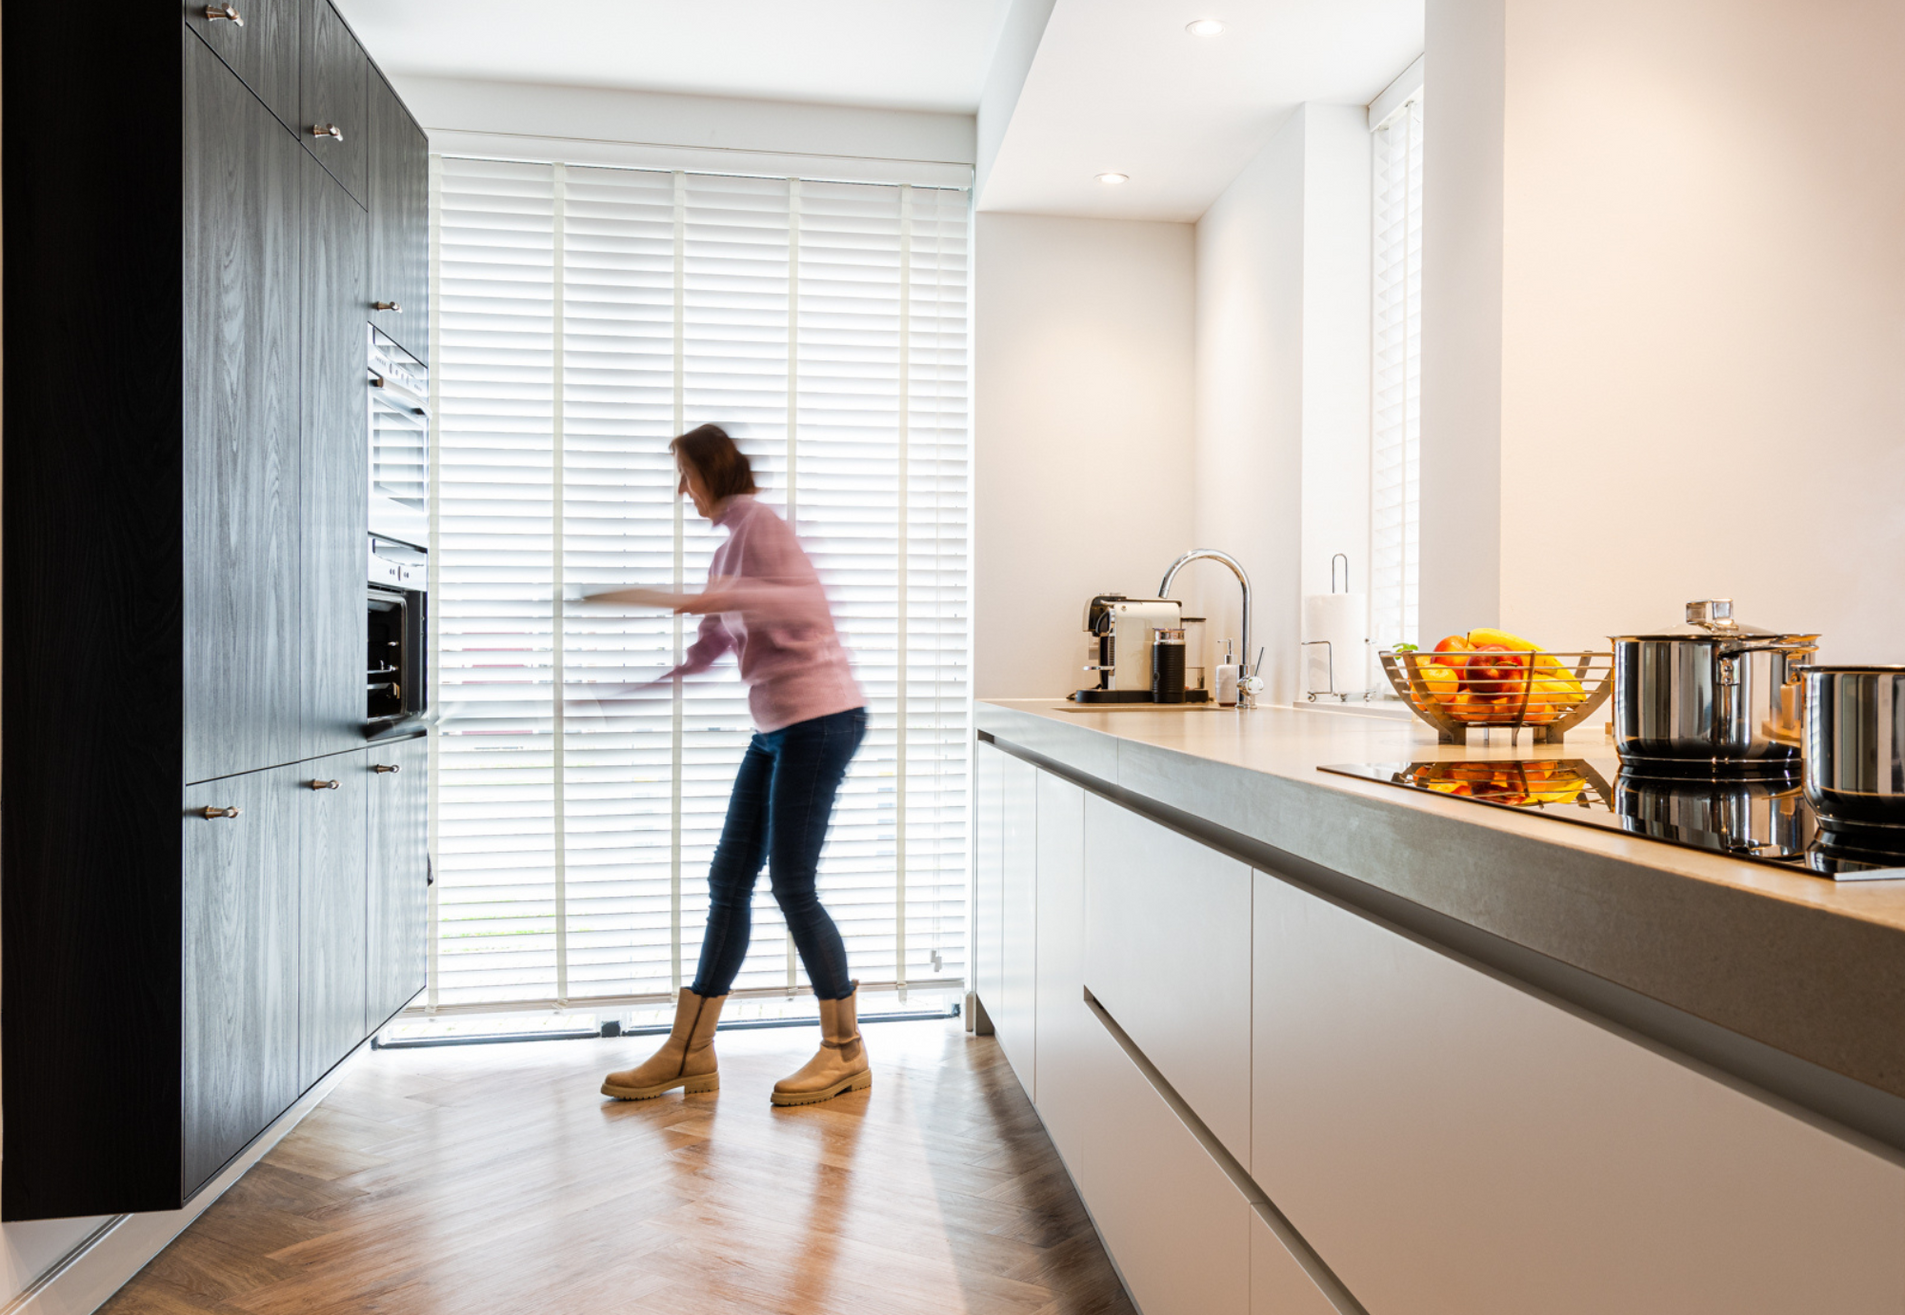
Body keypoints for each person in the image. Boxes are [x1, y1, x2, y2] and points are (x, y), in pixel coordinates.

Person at [589, 424, 871, 1108]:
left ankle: (844, 1052)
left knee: (790, 882)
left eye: (685, 474)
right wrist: (640, 684)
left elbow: (796, 600)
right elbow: (715, 639)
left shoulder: (759, 522)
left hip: (820, 719)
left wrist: (683, 597)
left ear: (711, 471)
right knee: (728, 876)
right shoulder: (727, 551)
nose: (680, 491)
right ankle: (690, 1049)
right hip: (775, 727)